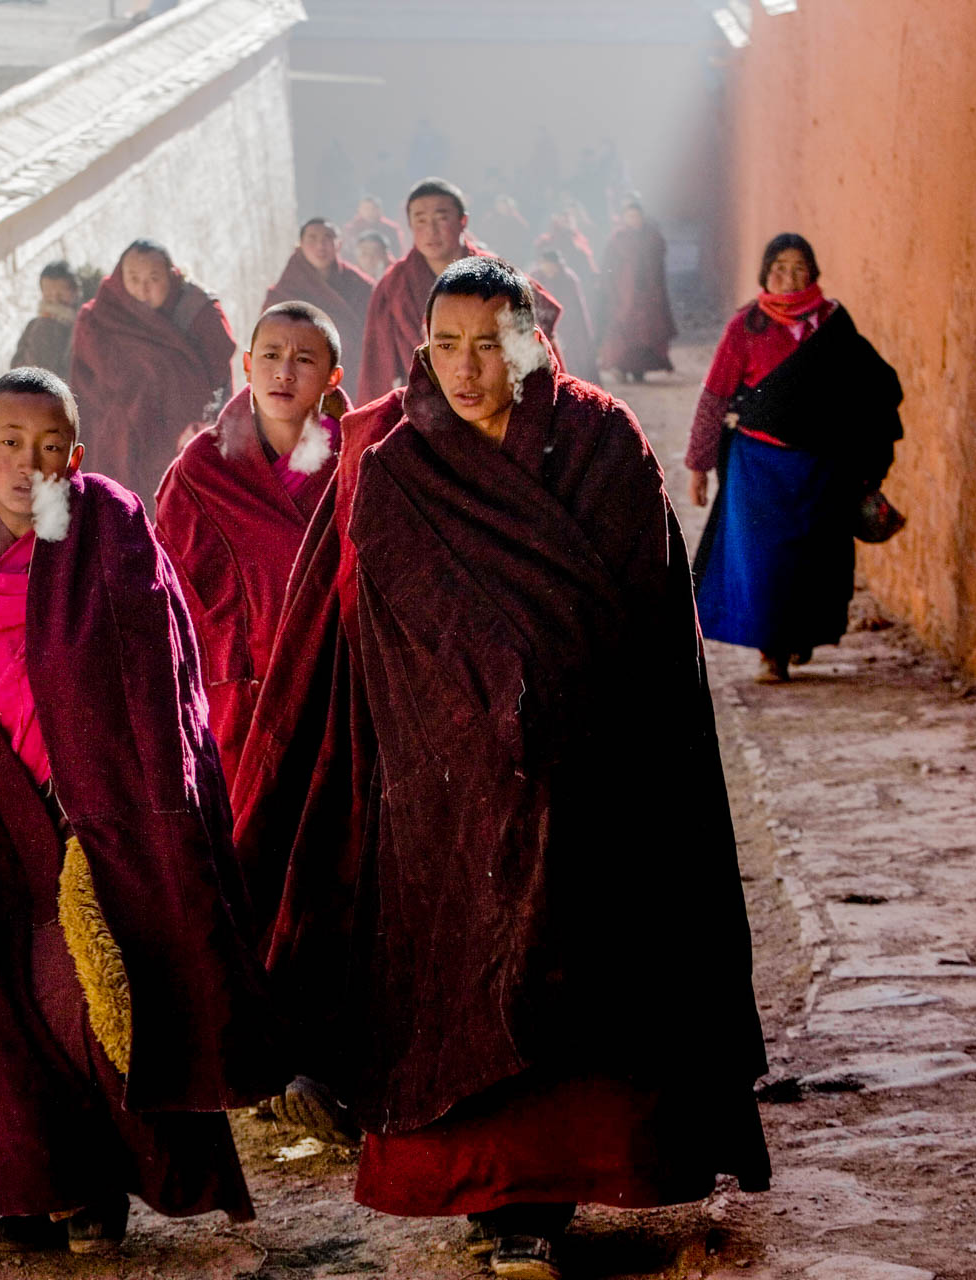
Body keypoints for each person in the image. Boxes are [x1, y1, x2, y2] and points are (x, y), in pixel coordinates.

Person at [233, 258, 771, 1280]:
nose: (470, 367)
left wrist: (552, 705)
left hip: (594, 762)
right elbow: (390, 634)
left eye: (492, 342)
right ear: (421, 347)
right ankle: (500, 1207)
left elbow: (642, 615)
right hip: (447, 780)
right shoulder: (395, 466)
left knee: (592, 974)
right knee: (468, 987)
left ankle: (592, 1173)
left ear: (533, 340)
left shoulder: (604, 439)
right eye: (448, 344)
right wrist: (475, 728)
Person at [0, 368, 282, 1256]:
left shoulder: (110, 529)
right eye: (10, 446)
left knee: (93, 1008)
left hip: (97, 824)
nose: (29, 466)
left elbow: (156, 680)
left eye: (50, 448)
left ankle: (101, 1185)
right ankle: (29, 1183)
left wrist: (125, 808)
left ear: (77, 457)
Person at [687, 233, 904, 684]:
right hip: (758, 466)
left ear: (814, 273)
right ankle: (772, 652)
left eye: (799, 267)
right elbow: (715, 396)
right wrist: (699, 464)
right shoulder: (746, 326)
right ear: (765, 274)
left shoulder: (831, 324)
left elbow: (872, 384)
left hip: (819, 468)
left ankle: (800, 635)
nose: (789, 277)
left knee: (813, 560)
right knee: (764, 561)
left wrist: (864, 455)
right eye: (779, 267)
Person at [155, 302, 346, 784]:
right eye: (270, 355)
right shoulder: (201, 471)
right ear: (247, 364)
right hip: (237, 701)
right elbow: (172, 591)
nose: (284, 371)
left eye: (304, 359)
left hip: (337, 691)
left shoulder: (356, 462)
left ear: (332, 377)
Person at [361, 179, 562, 399]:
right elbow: (376, 367)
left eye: (441, 218)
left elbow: (541, 337)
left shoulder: (497, 274)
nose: (431, 230)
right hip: (425, 407)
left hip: (494, 397)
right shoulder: (394, 285)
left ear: (463, 221)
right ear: (409, 226)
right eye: (421, 220)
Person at [70, 239, 234, 505]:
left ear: (172, 275)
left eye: (153, 279)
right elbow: (86, 388)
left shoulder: (198, 310)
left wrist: (209, 421)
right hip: (120, 441)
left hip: (181, 436)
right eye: (133, 278)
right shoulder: (100, 315)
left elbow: (219, 376)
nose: (142, 289)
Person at [261, 219, 373, 402]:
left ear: (339, 244)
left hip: (351, 374)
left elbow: (374, 333)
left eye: (327, 238)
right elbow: (270, 339)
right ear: (300, 245)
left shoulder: (360, 285)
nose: (320, 245)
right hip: (299, 377)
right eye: (312, 239)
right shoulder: (285, 290)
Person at [597, 197, 676, 382]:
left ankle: (640, 370)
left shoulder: (652, 237)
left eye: (637, 216)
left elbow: (659, 262)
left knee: (646, 332)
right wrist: (611, 291)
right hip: (625, 293)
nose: (634, 220)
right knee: (624, 331)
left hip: (648, 293)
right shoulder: (617, 239)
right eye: (630, 216)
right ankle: (621, 368)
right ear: (624, 218)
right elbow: (608, 267)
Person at [529, 250, 597, 383]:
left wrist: (566, 327)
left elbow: (574, 306)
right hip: (543, 324)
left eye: (551, 265)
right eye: (545, 265)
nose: (548, 268)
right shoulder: (535, 277)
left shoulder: (568, 279)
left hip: (568, 324)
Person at [10, 259, 82, 377]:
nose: (55, 300)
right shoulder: (35, 326)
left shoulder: (85, 322)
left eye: (61, 294)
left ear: (75, 291)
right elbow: (18, 370)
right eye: (48, 295)